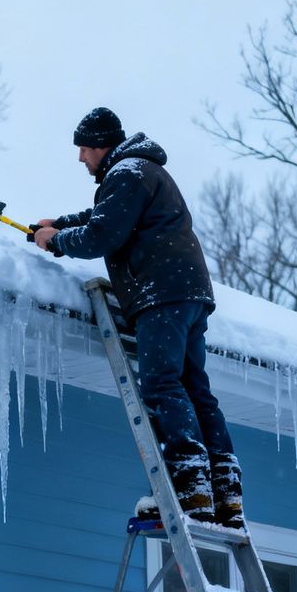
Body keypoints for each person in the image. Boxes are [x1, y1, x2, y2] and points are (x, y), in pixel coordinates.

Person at [32, 107, 244, 528]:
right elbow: (107, 217)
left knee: (162, 383)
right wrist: (58, 223)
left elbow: (102, 235)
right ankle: (225, 491)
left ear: (102, 146)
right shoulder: (140, 172)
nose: (80, 159)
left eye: (85, 149)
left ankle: (191, 484)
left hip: (160, 293)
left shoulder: (127, 173)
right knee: (194, 389)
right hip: (188, 291)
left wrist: (57, 242)